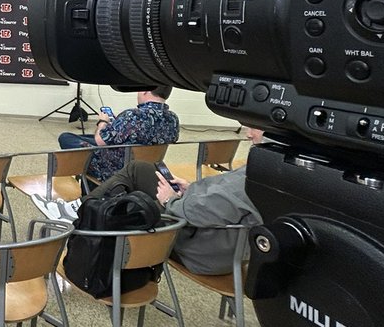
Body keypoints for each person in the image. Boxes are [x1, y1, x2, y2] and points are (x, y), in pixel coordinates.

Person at [156, 127, 265, 275]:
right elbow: (221, 198)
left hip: (199, 253)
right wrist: (190, 188)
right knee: (140, 178)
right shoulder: (278, 173)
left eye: (256, 128)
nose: (248, 134)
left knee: (140, 187)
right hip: (232, 254)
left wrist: (169, 200)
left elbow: (196, 212)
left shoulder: (253, 180)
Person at [58, 86, 180, 182]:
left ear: (146, 91)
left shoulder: (132, 115)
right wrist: (117, 125)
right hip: (147, 169)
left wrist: (103, 121)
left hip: (115, 170)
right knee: (86, 138)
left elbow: (100, 141)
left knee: (66, 138)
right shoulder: (173, 119)